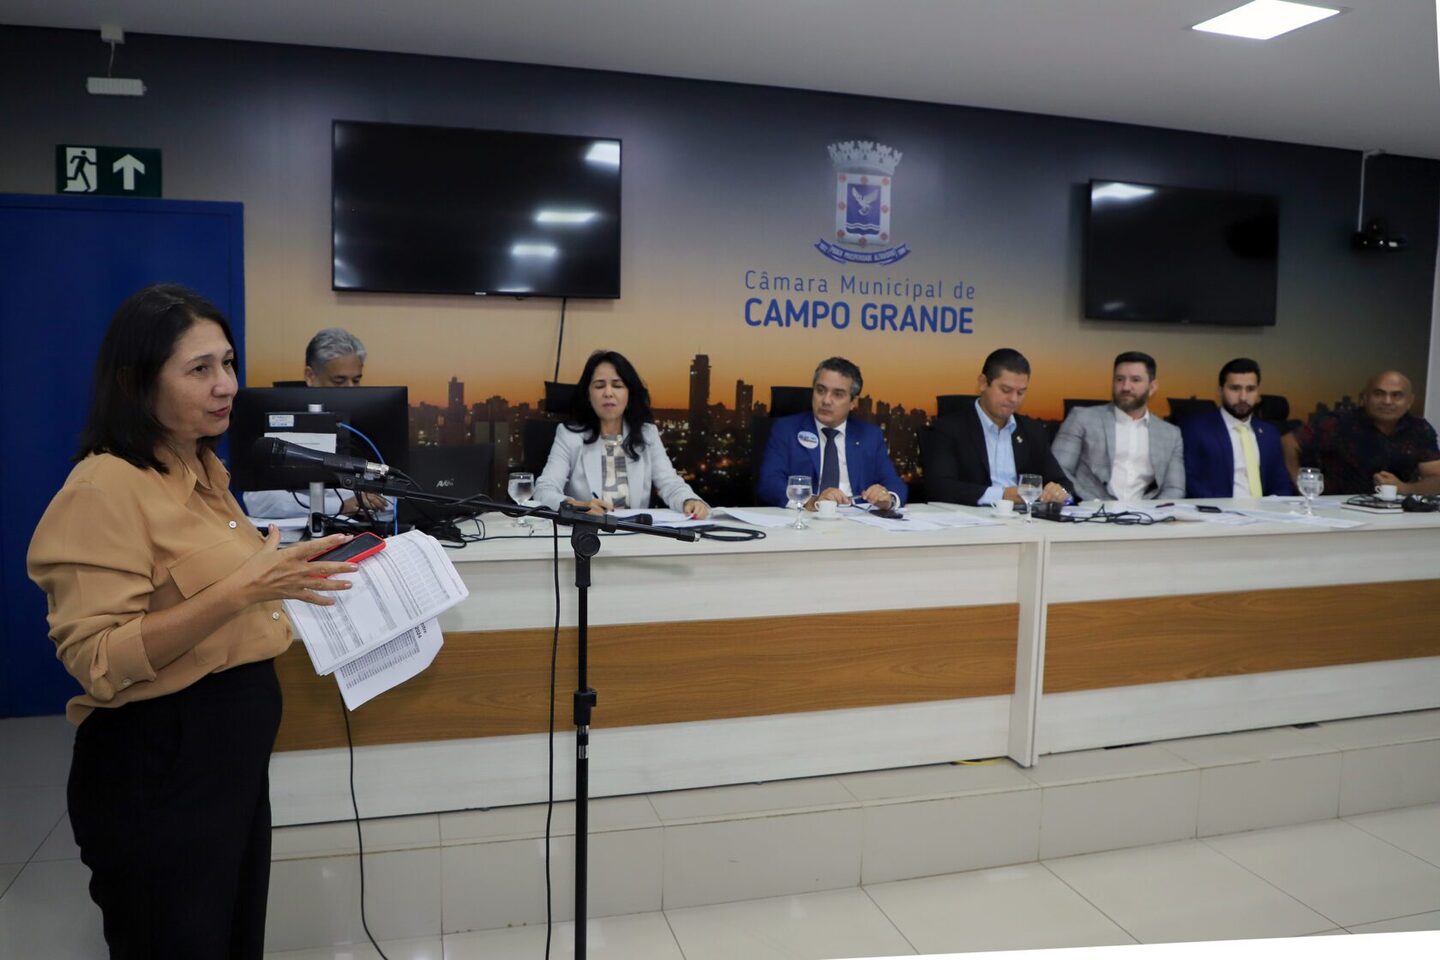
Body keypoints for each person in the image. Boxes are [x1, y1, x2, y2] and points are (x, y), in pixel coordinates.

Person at [27, 284, 358, 959]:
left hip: (228, 768)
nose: (225, 386)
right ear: (135, 381)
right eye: (199, 369)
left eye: (229, 363)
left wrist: (283, 578)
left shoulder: (206, 473)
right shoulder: (104, 487)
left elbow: (235, 586)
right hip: (156, 767)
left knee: (234, 940)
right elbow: (97, 657)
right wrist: (242, 589)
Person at [535, 350, 709, 517]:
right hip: (584, 536)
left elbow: (670, 484)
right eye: (599, 386)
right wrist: (576, 507)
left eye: (617, 385)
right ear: (588, 394)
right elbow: (544, 489)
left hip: (634, 538)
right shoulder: (569, 436)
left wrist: (689, 501)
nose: (608, 393)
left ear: (629, 395)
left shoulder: (647, 434)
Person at [242, 327, 389, 519]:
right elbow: (259, 502)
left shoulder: (367, 423)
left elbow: (391, 495)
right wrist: (339, 505)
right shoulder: (279, 420)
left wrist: (369, 499)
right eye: (339, 381)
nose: (350, 389)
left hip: (361, 528)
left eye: (356, 380)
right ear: (310, 376)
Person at [922, 348, 1070, 506]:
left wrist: (1059, 493)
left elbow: (1063, 483)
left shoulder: (1032, 431)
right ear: (983, 383)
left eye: (1021, 393)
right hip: (972, 521)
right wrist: (1002, 495)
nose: (1013, 399)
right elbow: (940, 488)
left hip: (1024, 522)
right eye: (1006, 390)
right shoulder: (949, 429)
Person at [756, 356, 907, 509]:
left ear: (853, 402)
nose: (826, 400)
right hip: (808, 519)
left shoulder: (869, 435)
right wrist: (813, 501)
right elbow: (769, 482)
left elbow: (895, 484)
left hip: (858, 523)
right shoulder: (786, 429)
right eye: (820, 390)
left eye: (838, 394)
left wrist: (888, 498)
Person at [1052, 351, 1185, 503]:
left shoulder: (1170, 434)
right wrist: (1093, 505)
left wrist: (1155, 513)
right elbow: (1058, 470)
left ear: (1152, 387)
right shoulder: (1082, 418)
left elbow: (1175, 488)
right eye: (1119, 379)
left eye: (1135, 380)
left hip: (1145, 517)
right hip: (1089, 513)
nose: (1126, 387)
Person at [1282, 370, 1440, 496]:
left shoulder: (1419, 429)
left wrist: (1404, 488)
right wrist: (1299, 484)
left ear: (1409, 401)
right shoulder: (1337, 422)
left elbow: (1436, 478)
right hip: (1335, 508)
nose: (1387, 401)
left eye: (1396, 395)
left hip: (1394, 512)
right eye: (1378, 393)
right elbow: (1288, 442)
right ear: (1364, 398)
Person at [1181, 357, 1294, 498]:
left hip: (1265, 515)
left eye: (1251, 389)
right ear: (1220, 390)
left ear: (1258, 392)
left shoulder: (1270, 433)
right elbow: (1189, 482)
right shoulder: (1196, 429)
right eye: (1235, 388)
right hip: (1217, 514)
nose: (1243, 397)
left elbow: (1281, 484)